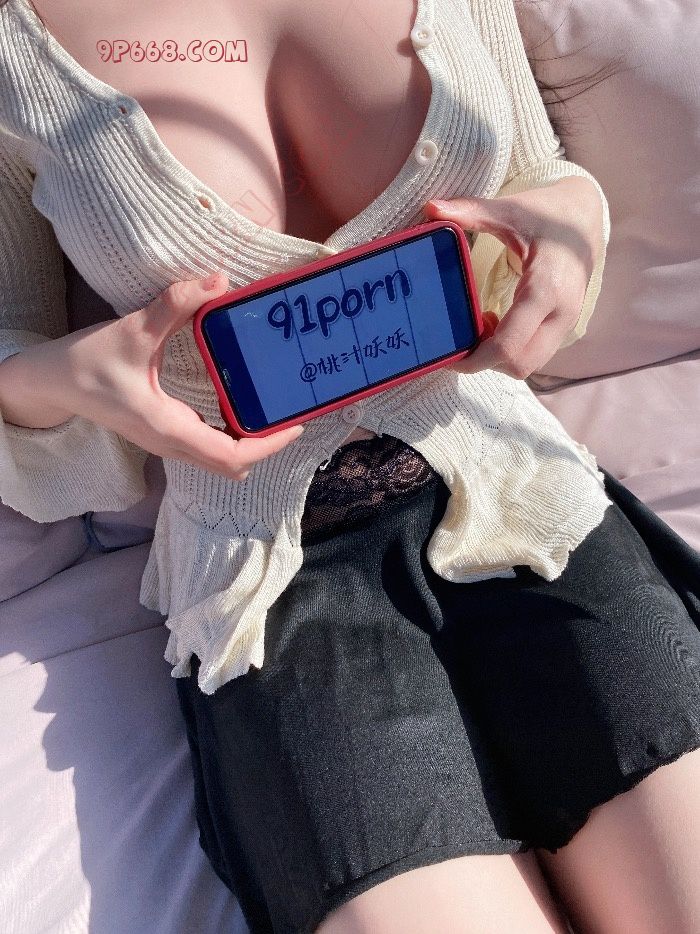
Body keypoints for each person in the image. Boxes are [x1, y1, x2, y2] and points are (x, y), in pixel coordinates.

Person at [0, 1, 699, 932]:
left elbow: (540, 178)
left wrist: (575, 221)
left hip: (522, 504)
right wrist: (66, 379)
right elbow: (9, 353)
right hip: (267, 584)